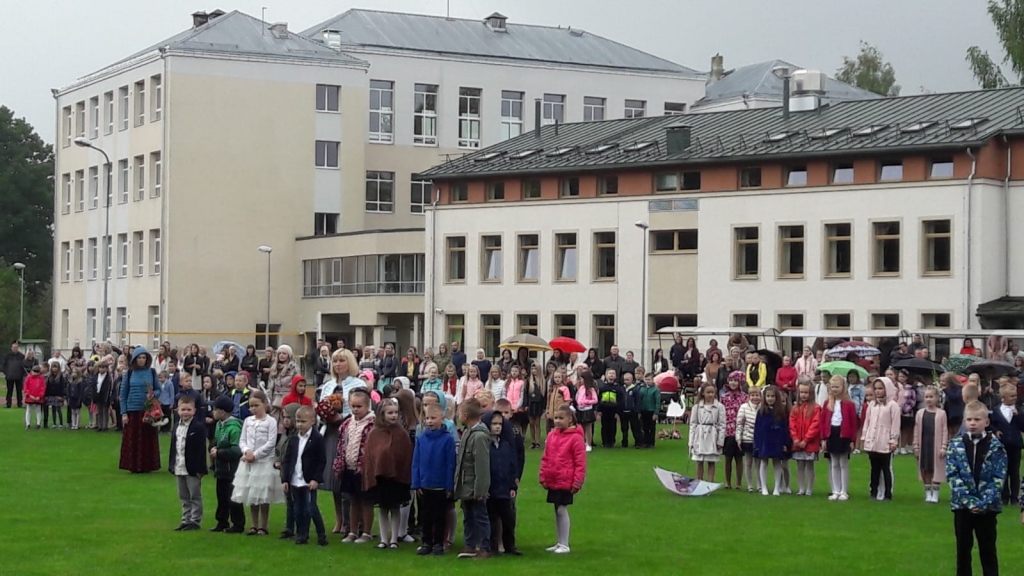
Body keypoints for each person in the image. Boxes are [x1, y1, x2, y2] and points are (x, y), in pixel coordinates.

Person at [947, 401, 1007, 576]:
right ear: (964, 421)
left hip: (987, 508)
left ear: (986, 422)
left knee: (988, 550)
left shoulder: (997, 447)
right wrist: (969, 501)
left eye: (977, 419)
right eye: (969, 419)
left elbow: (999, 477)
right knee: (963, 550)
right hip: (962, 506)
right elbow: (952, 475)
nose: (972, 423)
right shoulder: (955, 445)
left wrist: (983, 502)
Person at [231, 390, 283, 536]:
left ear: (264, 404)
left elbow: (271, 442)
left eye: (256, 405)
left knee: (263, 494)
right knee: (252, 493)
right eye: (251, 406)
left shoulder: (271, 421)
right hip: (248, 462)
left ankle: (263, 526)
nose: (253, 409)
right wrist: (246, 451)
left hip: (264, 462)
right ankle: (253, 525)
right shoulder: (248, 421)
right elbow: (242, 440)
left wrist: (256, 454)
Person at [539, 404, 586, 555]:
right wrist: (543, 476)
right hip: (554, 478)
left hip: (566, 480)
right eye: (555, 418)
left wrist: (577, 481)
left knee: (561, 509)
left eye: (561, 418)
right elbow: (546, 457)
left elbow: (580, 462)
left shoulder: (576, 438)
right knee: (557, 509)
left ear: (570, 419)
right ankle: (560, 542)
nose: (557, 421)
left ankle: (565, 544)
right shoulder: (552, 435)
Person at [412, 402, 457, 556]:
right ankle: (426, 542)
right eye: (427, 418)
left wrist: (449, 486)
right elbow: (416, 462)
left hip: (440, 486)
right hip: (425, 485)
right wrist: (416, 483)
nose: (430, 421)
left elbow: (450, 464)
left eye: (433, 418)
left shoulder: (448, 439)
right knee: (425, 516)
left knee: (440, 516)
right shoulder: (421, 439)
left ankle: (438, 543)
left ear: (442, 418)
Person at [281, 405, 328, 546]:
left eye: (303, 421)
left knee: (311, 508)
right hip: (295, 479)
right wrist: (285, 479)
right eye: (297, 421)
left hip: (309, 480)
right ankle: (302, 534)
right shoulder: (294, 438)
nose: (300, 424)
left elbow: (321, 460)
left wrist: (316, 479)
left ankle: (321, 534)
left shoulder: (317, 438)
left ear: (312, 421)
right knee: (298, 509)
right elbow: (287, 459)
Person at [334, 389, 376, 544]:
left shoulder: (372, 423)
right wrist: (339, 464)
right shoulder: (347, 423)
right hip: (349, 467)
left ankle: (366, 532)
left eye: (359, 406)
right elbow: (341, 444)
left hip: (365, 469)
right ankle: (352, 531)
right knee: (353, 500)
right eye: (353, 406)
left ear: (367, 406)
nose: (356, 409)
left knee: (366, 501)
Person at [454, 397, 492, 559]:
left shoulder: (479, 437)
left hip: (475, 487)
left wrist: (480, 490)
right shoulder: (467, 433)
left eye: (459, 413)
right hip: (466, 485)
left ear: (465, 415)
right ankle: (469, 545)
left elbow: (482, 466)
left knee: (480, 517)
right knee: (468, 517)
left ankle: (484, 547)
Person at [484, 410, 521, 557]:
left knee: (508, 520)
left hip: (505, 489)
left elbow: (512, 466)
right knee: (492, 520)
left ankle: (509, 546)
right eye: (494, 424)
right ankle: (492, 547)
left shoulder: (506, 445)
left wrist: (513, 486)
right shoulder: (485, 445)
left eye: (500, 424)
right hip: (491, 490)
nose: (497, 427)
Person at [119, 348, 161, 474]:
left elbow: (159, 389)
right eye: (139, 358)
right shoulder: (129, 373)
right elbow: (123, 394)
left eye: (144, 358)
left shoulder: (152, 372)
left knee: (147, 439)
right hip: (133, 411)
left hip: (147, 411)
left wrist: (153, 395)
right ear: (135, 359)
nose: (141, 360)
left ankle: (147, 465)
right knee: (133, 439)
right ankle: (133, 465)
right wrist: (124, 413)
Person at [169, 395, 208, 531]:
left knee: (194, 495)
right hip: (179, 465)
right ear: (177, 410)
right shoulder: (176, 426)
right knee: (183, 495)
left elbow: (201, 450)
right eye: (183, 409)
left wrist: (201, 469)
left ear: (194, 411)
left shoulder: (198, 427)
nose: (185, 412)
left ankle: (195, 520)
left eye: (189, 410)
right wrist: (172, 464)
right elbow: (173, 447)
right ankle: (185, 519)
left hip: (192, 468)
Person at [210, 395, 245, 533]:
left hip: (232, 469)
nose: (212, 412)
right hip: (221, 468)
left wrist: (219, 453)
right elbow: (216, 440)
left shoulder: (234, 428)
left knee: (233, 497)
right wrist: (213, 447)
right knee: (221, 497)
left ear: (222, 412)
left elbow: (236, 450)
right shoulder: (219, 424)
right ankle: (222, 521)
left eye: (215, 409)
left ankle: (238, 524)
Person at [861, 378, 900, 501]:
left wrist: (893, 440)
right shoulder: (872, 405)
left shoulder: (893, 405)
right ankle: (874, 491)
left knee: (886, 468)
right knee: (874, 468)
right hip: (872, 440)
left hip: (885, 441)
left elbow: (895, 424)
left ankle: (888, 493)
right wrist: (864, 437)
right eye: (876, 388)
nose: (878, 391)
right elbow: (867, 422)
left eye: (881, 388)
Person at [820, 375, 858, 502]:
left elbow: (853, 423)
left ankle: (844, 491)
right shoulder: (827, 403)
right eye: (833, 387)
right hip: (832, 434)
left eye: (837, 387)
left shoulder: (849, 404)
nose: (835, 389)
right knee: (834, 463)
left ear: (843, 387)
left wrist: (852, 440)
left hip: (844, 435)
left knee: (843, 463)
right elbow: (823, 421)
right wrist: (823, 438)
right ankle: (835, 490)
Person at [988, 383, 1023, 506]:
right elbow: (990, 424)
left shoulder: (1019, 410)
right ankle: (1004, 496)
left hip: (1015, 445)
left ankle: (1014, 497)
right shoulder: (995, 411)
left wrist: (1018, 416)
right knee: (1003, 471)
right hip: (1001, 445)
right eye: (1011, 396)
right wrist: (995, 431)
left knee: (1014, 472)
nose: (1014, 398)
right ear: (1003, 398)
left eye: (1015, 396)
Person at [914, 385, 949, 504]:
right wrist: (916, 446)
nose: (928, 399)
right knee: (926, 469)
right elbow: (916, 430)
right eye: (926, 397)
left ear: (937, 398)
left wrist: (944, 446)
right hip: (924, 445)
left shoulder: (941, 413)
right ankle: (928, 492)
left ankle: (936, 493)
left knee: (936, 469)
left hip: (936, 445)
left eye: (931, 397)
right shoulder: (920, 413)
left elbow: (945, 431)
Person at [753, 385, 790, 496]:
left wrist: (785, 443)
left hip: (777, 441)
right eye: (768, 396)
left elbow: (785, 428)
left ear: (776, 397)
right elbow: (757, 429)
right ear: (764, 397)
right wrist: (757, 444)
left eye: (772, 396)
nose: (770, 398)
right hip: (764, 441)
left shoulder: (781, 412)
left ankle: (776, 488)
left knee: (777, 463)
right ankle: (764, 487)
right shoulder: (761, 412)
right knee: (763, 462)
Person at [788, 380, 821, 496]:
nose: (803, 395)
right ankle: (801, 488)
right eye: (801, 392)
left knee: (809, 465)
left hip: (810, 442)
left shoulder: (816, 408)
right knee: (800, 465)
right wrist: (795, 439)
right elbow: (792, 425)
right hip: (798, 442)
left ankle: (809, 489)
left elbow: (815, 425)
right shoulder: (795, 408)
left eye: (806, 392)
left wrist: (806, 439)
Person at [689, 383, 726, 482]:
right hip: (700, 435)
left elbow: (722, 425)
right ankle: (699, 481)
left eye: (712, 392)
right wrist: (691, 441)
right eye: (708, 392)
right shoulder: (697, 407)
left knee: (711, 461)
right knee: (699, 461)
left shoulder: (719, 407)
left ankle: (710, 483)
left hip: (712, 435)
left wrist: (720, 441)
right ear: (703, 393)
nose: (710, 394)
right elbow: (693, 424)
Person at [275, 403, 301, 539]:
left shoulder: (297, 436)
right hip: (285, 472)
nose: (285, 420)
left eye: (288, 417)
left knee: (297, 502)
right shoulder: (285, 434)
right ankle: (289, 527)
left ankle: (299, 528)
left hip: (294, 472)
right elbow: (279, 450)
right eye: (284, 417)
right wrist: (277, 461)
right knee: (289, 502)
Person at [720, 372, 748, 488]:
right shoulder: (724, 397)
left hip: (740, 432)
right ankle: (727, 482)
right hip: (728, 431)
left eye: (735, 381)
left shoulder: (745, 397)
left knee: (739, 458)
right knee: (728, 458)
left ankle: (739, 483)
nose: (733, 383)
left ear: (740, 382)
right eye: (731, 380)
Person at [268, 345, 299, 415]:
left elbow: (297, 385)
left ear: (289, 355)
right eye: (280, 353)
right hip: (275, 399)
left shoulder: (294, 369)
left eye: (284, 353)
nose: (281, 355)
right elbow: (270, 386)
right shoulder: (274, 369)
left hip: (288, 399)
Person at [597, 368, 623, 448]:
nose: (611, 375)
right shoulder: (602, 386)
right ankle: (605, 442)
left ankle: (611, 442)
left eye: (613, 373)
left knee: (613, 426)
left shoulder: (618, 387)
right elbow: (599, 398)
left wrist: (617, 412)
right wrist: (599, 410)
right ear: (606, 375)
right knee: (604, 426)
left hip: (613, 409)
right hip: (604, 409)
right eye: (610, 373)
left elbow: (620, 399)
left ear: (615, 376)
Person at [575, 371, 598, 452]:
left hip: (587, 410)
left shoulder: (591, 389)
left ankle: (589, 444)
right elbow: (578, 398)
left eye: (581, 379)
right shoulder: (580, 388)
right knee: (581, 427)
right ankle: (582, 443)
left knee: (588, 427)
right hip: (580, 409)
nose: (580, 380)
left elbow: (595, 400)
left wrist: (586, 402)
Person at [526, 365, 547, 449]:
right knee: (531, 423)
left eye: (535, 369)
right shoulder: (528, 380)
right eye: (532, 369)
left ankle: (538, 442)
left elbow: (545, 395)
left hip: (539, 404)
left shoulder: (542, 381)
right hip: (530, 404)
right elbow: (525, 393)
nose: (534, 370)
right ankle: (533, 441)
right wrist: (526, 404)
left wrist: (544, 407)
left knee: (537, 423)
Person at [619, 372, 641, 449]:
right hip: (623, 412)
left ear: (632, 380)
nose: (626, 381)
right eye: (625, 380)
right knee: (624, 428)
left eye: (627, 380)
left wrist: (637, 411)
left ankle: (638, 442)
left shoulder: (635, 389)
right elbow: (620, 400)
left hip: (633, 412)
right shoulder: (622, 389)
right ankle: (624, 442)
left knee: (635, 428)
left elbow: (638, 401)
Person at [638, 373, 660, 449]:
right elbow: (639, 400)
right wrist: (639, 411)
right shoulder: (642, 389)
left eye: (649, 379)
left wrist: (656, 413)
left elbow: (657, 402)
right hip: (643, 410)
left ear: (652, 380)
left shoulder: (656, 390)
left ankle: (651, 443)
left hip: (651, 411)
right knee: (644, 427)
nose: (647, 381)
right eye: (646, 379)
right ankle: (645, 442)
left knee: (652, 428)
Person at [43, 361, 67, 429]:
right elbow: (47, 387)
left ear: (58, 368)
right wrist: (46, 395)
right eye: (53, 367)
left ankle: (61, 423)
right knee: (53, 409)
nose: (54, 369)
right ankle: (54, 423)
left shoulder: (61, 376)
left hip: (58, 395)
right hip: (51, 395)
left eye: (56, 367)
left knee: (58, 409)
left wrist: (62, 396)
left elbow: (62, 387)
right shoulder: (49, 376)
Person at [3, 342, 26, 409]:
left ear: (18, 348)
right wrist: (6, 373)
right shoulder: (7, 356)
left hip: (19, 376)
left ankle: (19, 404)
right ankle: (8, 404)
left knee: (19, 391)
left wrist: (22, 374)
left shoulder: (22, 356)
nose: (15, 348)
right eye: (14, 347)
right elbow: (3, 365)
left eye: (16, 347)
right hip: (9, 376)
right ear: (11, 348)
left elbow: (23, 366)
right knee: (9, 390)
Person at [23, 364, 45, 429]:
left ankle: (38, 424)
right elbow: (25, 387)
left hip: (38, 397)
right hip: (30, 396)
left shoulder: (41, 378)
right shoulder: (28, 378)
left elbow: (43, 388)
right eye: (34, 371)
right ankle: (28, 424)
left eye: (37, 372)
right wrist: (29, 395)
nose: (35, 373)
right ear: (32, 371)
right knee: (28, 410)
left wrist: (40, 396)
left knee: (38, 410)